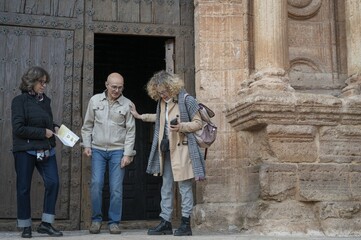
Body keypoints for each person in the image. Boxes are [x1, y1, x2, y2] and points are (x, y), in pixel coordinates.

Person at [130, 70, 206, 236]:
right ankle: (165, 222)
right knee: (166, 187)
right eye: (159, 93)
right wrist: (139, 116)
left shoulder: (187, 100)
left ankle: (186, 224)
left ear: (172, 87)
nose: (162, 95)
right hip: (166, 150)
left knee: (184, 187)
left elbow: (198, 123)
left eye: (164, 91)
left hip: (183, 150)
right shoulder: (161, 104)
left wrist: (181, 127)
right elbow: (159, 119)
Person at [11, 66, 63, 238]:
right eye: (41, 82)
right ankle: (26, 226)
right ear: (30, 82)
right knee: (23, 188)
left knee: (53, 183)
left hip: (45, 149)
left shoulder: (45, 100)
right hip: (25, 151)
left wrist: (53, 126)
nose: (44, 86)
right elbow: (19, 128)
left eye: (45, 82)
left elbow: (44, 121)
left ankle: (46, 224)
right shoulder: (19, 101)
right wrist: (42, 132)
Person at [81, 72, 136, 234]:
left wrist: (127, 154)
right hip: (97, 149)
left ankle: (114, 222)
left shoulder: (127, 104)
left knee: (116, 188)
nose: (116, 90)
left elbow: (131, 131)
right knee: (97, 184)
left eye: (120, 87)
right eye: (113, 87)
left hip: (118, 151)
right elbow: (87, 125)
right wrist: (87, 145)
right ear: (106, 85)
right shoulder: (95, 100)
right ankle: (96, 220)